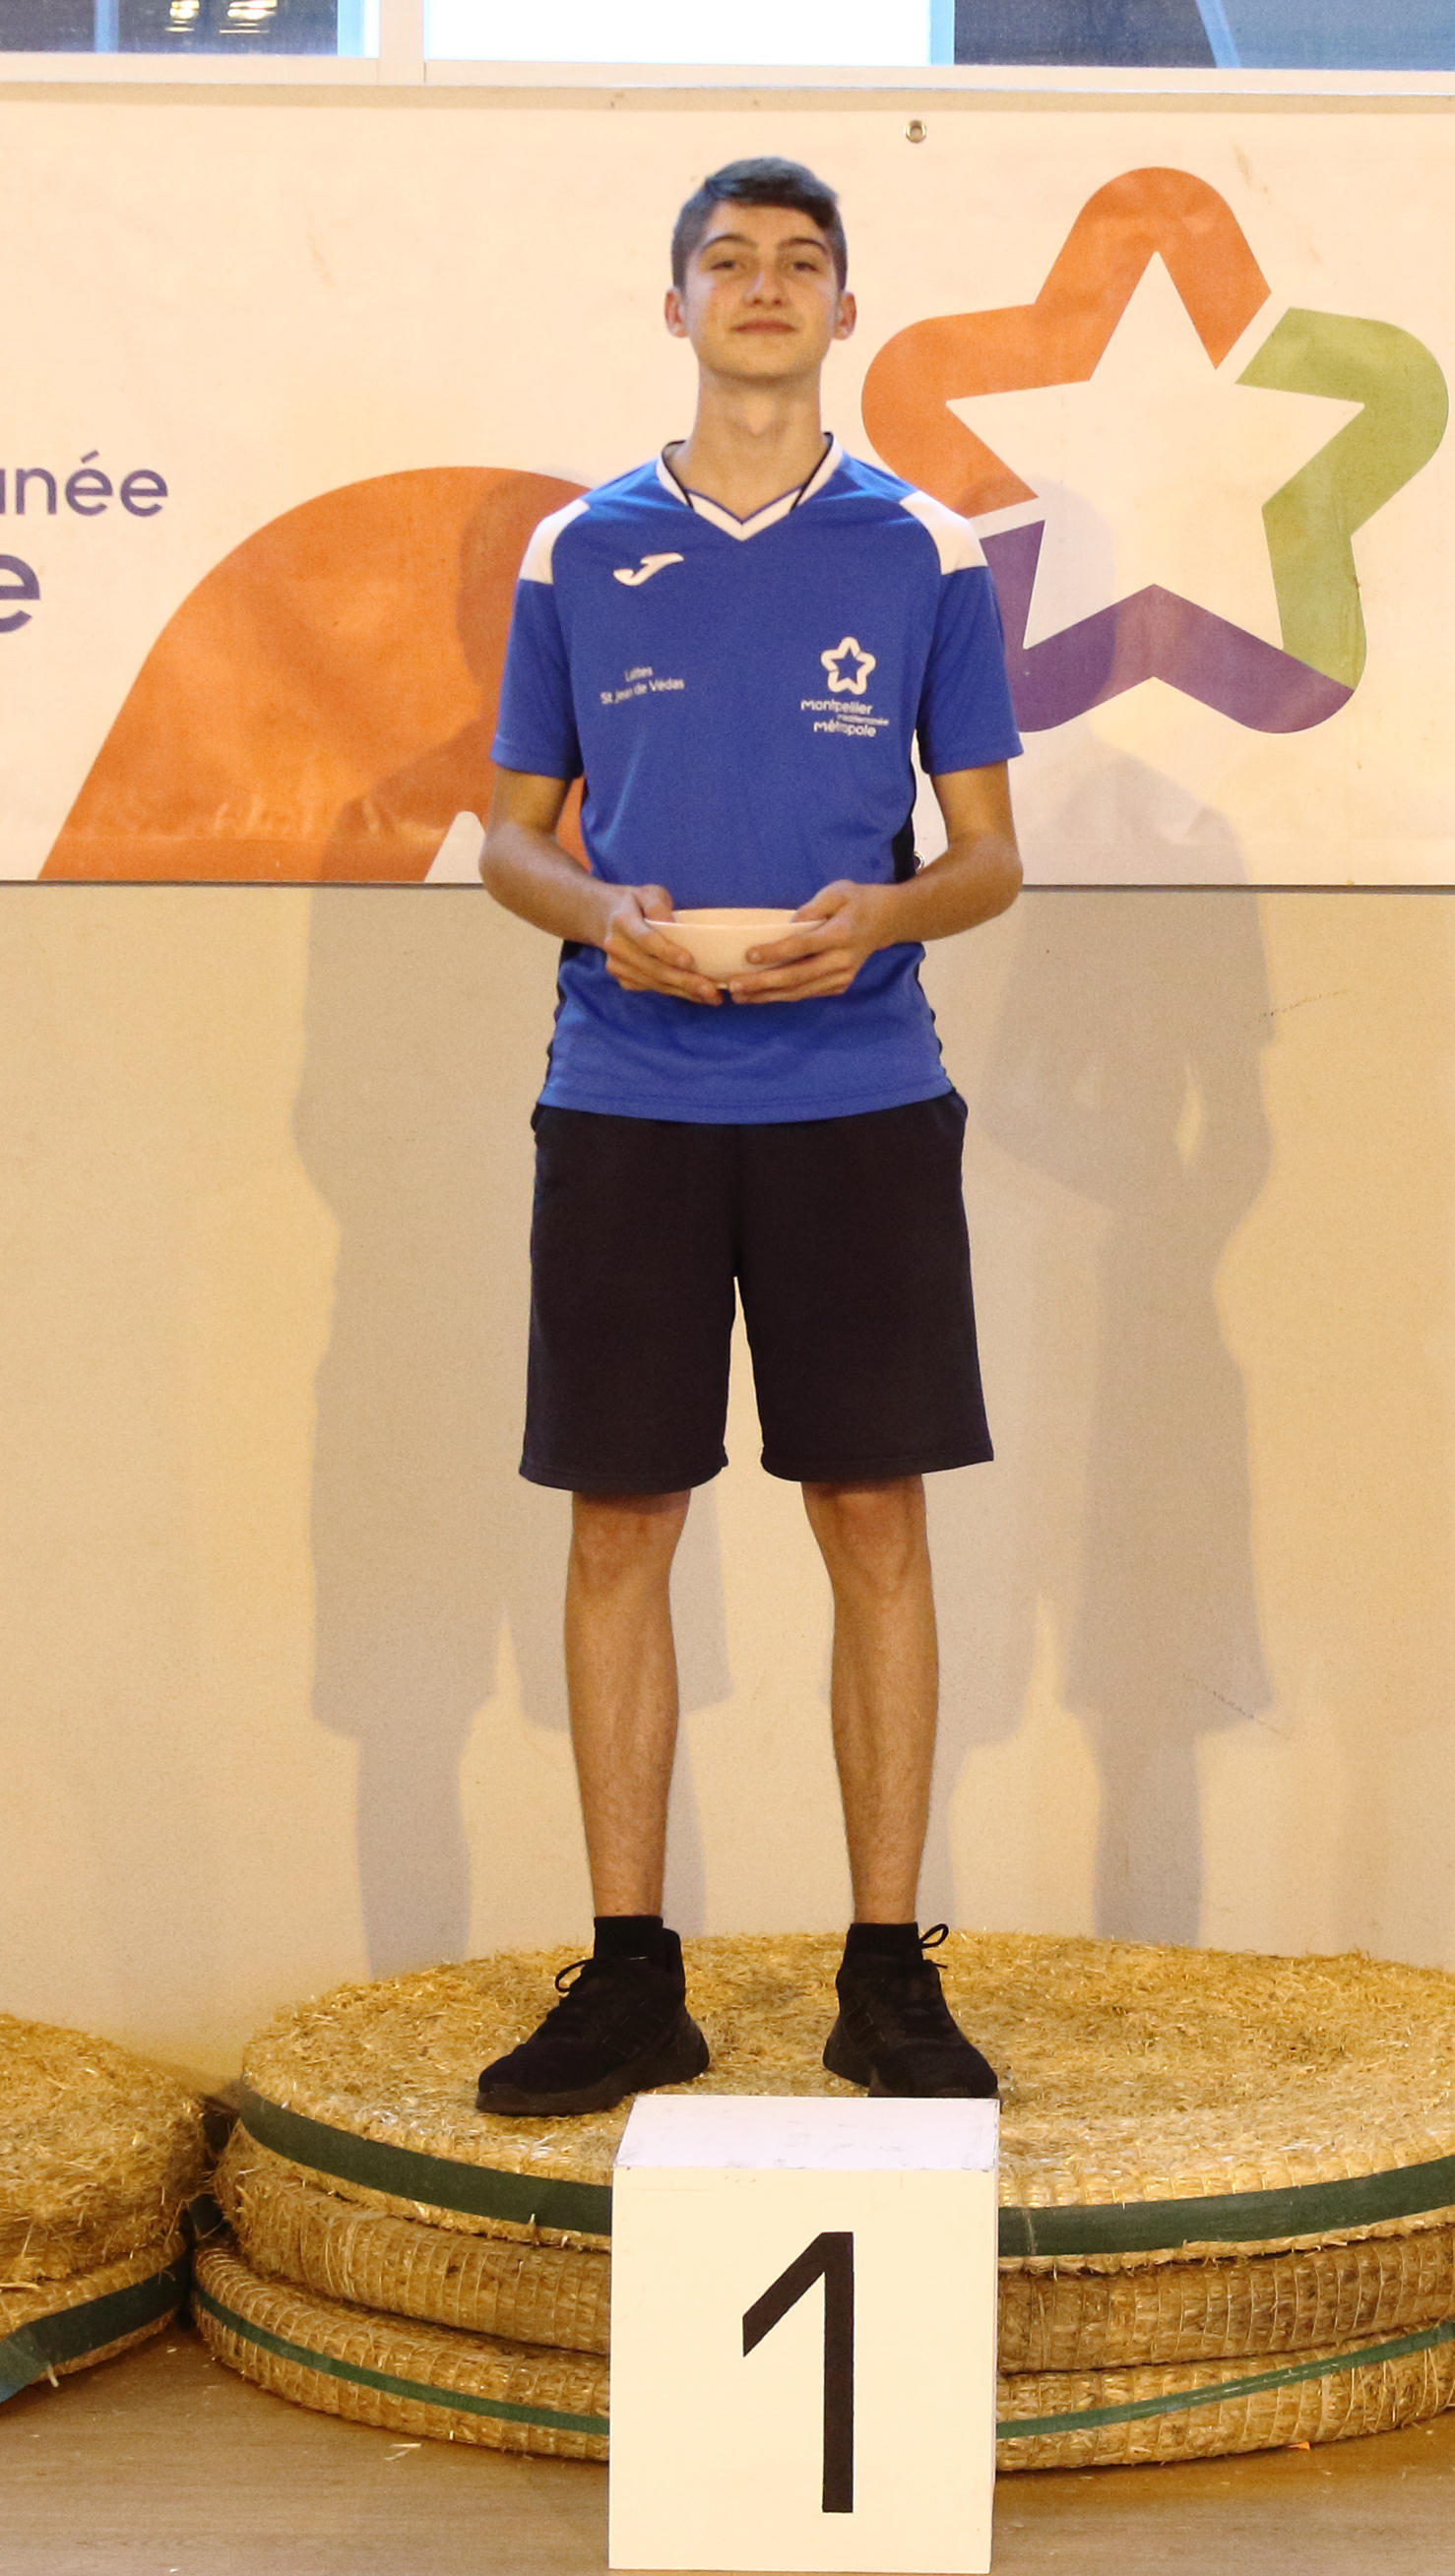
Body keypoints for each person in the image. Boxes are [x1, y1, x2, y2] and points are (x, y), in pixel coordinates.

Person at [474, 157, 1022, 2116]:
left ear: (844, 311)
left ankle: (885, 1972)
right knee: (621, 1519)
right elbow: (510, 839)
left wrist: (882, 915)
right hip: (622, 1093)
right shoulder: (577, 546)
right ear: (677, 305)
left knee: (872, 1517)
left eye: (801, 262)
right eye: (729, 260)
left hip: (856, 1096)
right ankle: (633, 1973)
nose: (764, 286)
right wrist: (596, 912)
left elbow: (987, 858)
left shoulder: (924, 549)